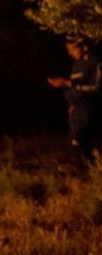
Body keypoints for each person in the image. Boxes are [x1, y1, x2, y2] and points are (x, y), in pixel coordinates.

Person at [48, 36, 100, 165]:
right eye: (68, 49)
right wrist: (71, 104)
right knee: (77, 141)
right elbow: (74, 87)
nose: (70, 52)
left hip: (88, 108)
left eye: (73, 49)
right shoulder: (77, 65)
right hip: (76, 109)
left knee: (77, 140)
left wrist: (67, 83)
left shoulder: (94, 63)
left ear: (84, 48)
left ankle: (82, 170)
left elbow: (96, 88)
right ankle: (86, 170)